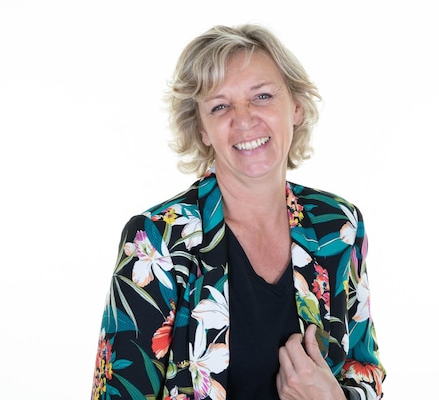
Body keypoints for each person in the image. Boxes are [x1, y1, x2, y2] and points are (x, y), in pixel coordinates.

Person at [91, 23, 385, 400]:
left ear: (295, 107)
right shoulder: (156, 241)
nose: (244, 119)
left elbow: (365, 368)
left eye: (261, 96)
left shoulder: (338, 225)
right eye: (220, 106)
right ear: (202, 130)